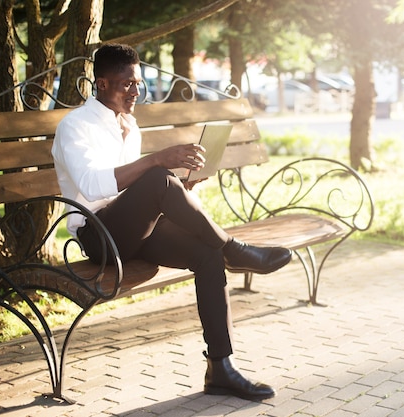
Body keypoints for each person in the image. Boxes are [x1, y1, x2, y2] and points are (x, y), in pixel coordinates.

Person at [51, 43, 291, 401]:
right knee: (159, 177)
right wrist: (158, 166)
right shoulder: (75, 126)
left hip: (133, 230)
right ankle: (235, 250)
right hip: (98, 235)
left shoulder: (129, 126)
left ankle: (220, 368)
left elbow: (135, 192)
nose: (135, 92)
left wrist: (179, 187)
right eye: (126, 84)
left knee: (205, 253)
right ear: (100, 84)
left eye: (137, 84)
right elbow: (91, 184)